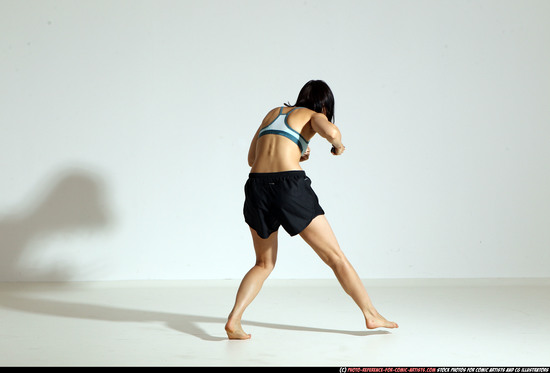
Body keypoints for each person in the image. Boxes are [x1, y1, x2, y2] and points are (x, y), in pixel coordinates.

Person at [225, 80, 398, 340]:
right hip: (289, 187)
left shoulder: (273, 113)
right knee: (336, 257)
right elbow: (332, 133)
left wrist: (297, 151)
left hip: (256, 186)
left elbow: (252, 158)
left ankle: (234, 321)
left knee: (263, 263)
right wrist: (337, 147)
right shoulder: (315, 115)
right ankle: (371, 314)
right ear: (325, 104)